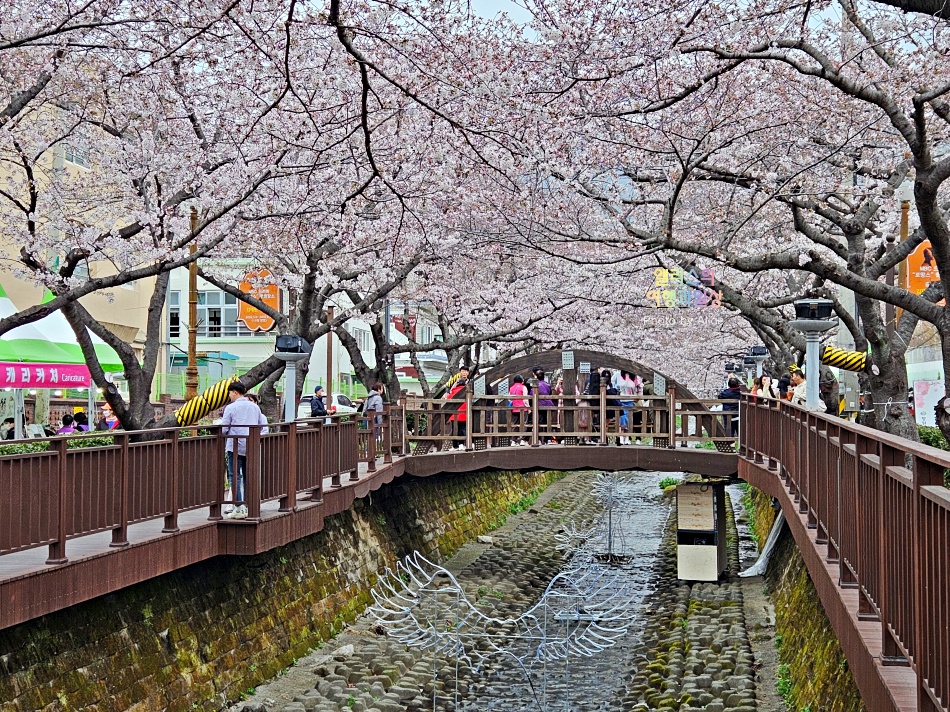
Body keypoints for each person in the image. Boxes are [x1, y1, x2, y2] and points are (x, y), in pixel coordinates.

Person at [221, 381, 264, 520]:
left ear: (234, 392)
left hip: (235, 445)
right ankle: (248, 504)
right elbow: (260, 424)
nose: (229, 396)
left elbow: (224, 428)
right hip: (251, 445)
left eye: (229, 393)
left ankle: (238, 507)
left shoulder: (231, 407)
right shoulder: (254, 407)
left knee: (234, 475)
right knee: (248, 475)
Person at [532, 367, 555, 443]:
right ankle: (548, 438)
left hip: (540, 405)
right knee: (548, 421)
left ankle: (539, 439)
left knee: (541, 421)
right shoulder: (547, 384)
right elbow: (550, 393)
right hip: (548, 405)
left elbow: (531, 394)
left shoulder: (536, 384)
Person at [446, 377, 468, 450]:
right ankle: (462, 444)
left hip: (454, 414)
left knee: (455, 429)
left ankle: (455, 446)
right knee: (462, 429)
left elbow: (448, 399)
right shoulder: (467, 391)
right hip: (464, 414)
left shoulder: (454, 391)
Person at [509, 374, 529, 446]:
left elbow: (510, 399)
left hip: (514, 408)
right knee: (524, 424)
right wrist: (528, 407)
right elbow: (525, 399)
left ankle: (513, 441)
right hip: (523, 408)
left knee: (515, 424)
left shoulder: (511, 388)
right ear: (521, 380)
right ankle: (522, 440)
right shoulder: (523, 387)